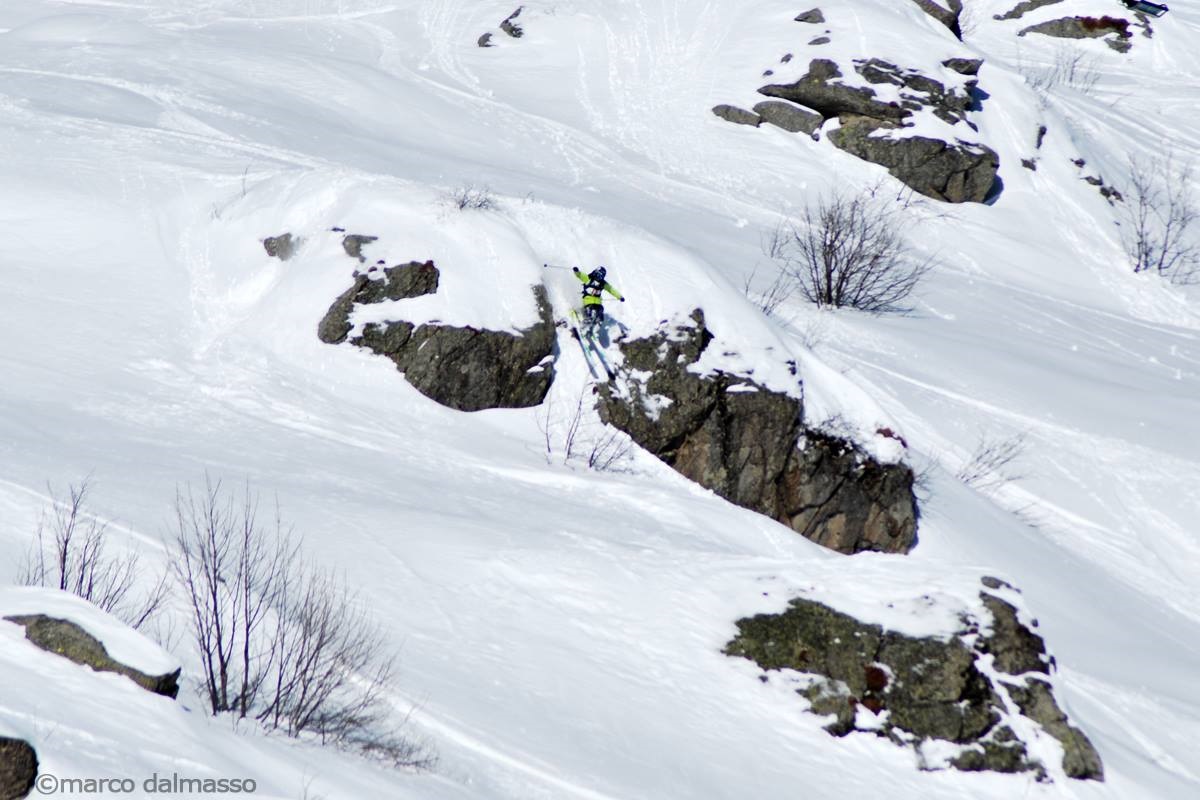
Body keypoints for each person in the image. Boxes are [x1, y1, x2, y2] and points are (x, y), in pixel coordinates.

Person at [572, 266, 624, 335]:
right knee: (590, 312)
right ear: (595, 273)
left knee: (601, 310)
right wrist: (577, 271)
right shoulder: (588, 278)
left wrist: (619, 296)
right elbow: (580, 275)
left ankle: (595, 328)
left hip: (597, 302)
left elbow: (611, 290)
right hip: (587, 301)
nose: (599, 277)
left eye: (601, 276)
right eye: (598, 275)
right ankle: (583, 326)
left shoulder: (603, 284)